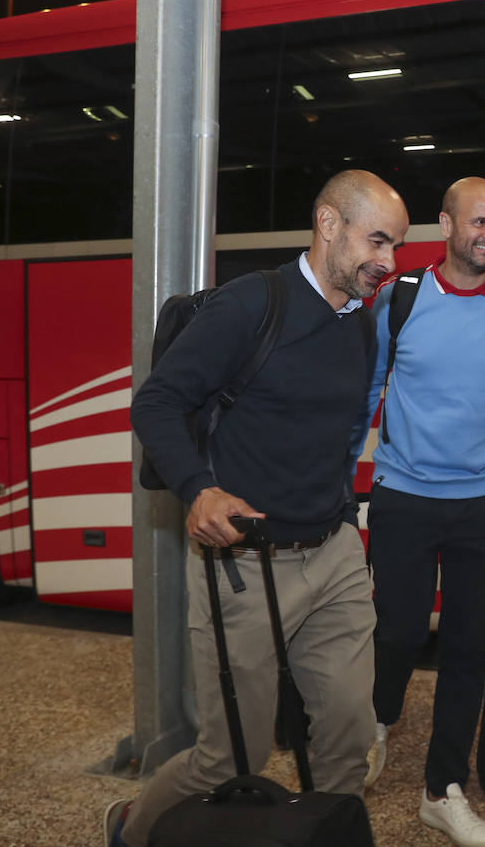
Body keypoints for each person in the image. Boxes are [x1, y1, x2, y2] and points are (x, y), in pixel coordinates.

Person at [106, 170, 408, 847]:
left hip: (332, 556)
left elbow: (331, 435)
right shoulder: (250, 306)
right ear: (328, 223)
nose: (388, 262)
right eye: (378, 240)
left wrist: (347, 525)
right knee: (231, 758)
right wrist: (198, 488)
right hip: (243, 565)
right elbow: (156, 402)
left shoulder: (359, 325)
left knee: (348, 743)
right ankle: (132, 830)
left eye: (397, 246)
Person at [362, 176, 485, 847]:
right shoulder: (401, 299)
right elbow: (367, 390)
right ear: (446, 225)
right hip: (403, 498)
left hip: (482, 505)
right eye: (478, 222)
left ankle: (441, 789)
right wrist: (338, 476)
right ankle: (378, 718)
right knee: (397, 631)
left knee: (470, 650)